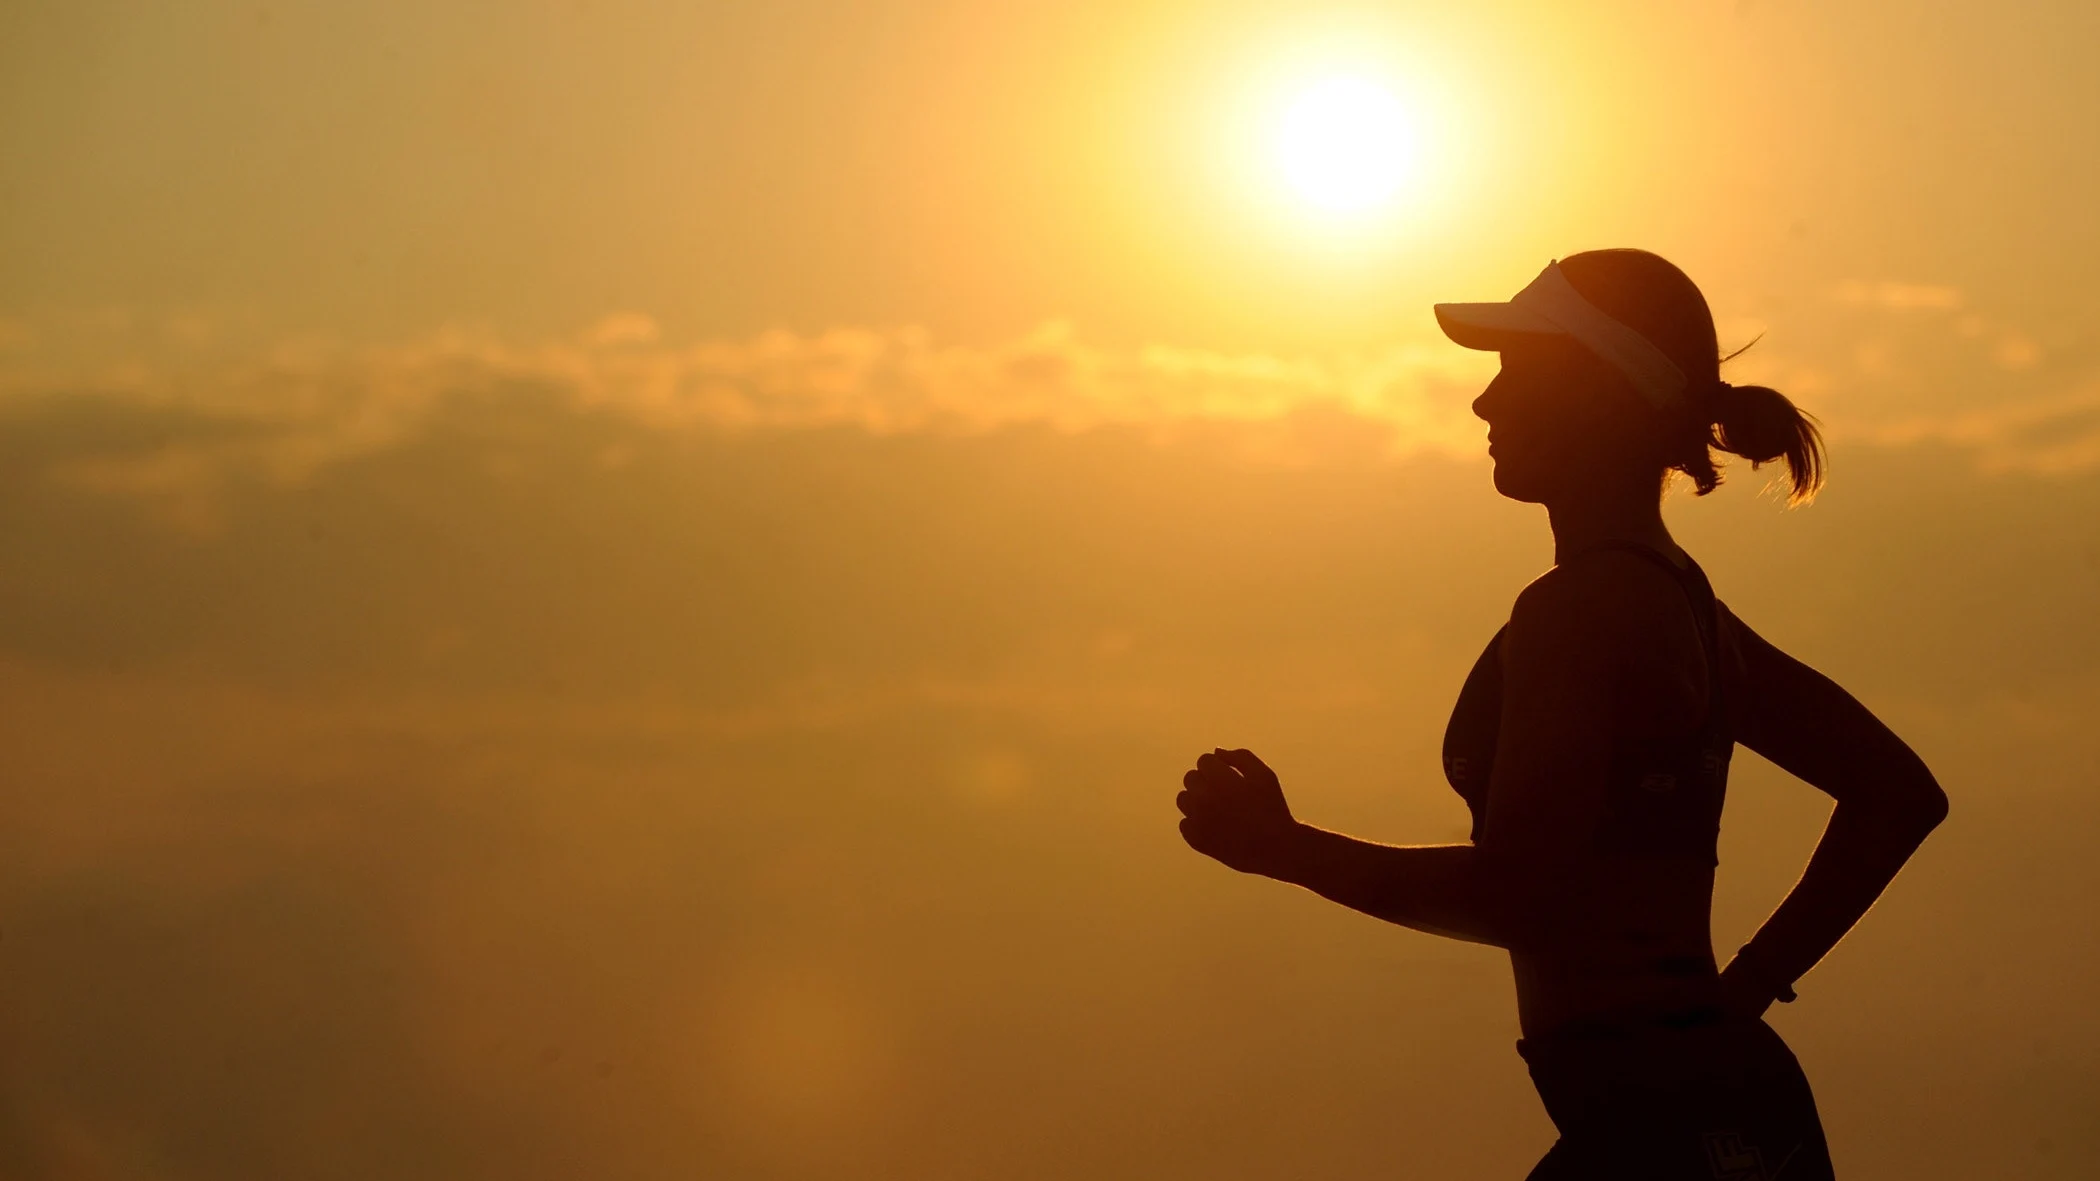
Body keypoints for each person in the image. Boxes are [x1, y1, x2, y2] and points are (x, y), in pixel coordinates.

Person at [1173, 249, 1949, 1180]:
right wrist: (1736, 994)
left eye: (1516, 372)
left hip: (1669, 1123)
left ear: (1600, 395)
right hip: (1707, 1107)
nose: (1483, 404)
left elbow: (1522, 896)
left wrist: (1285, 850)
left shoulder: (1579, 609)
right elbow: (1897, 794)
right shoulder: (1684, 603)